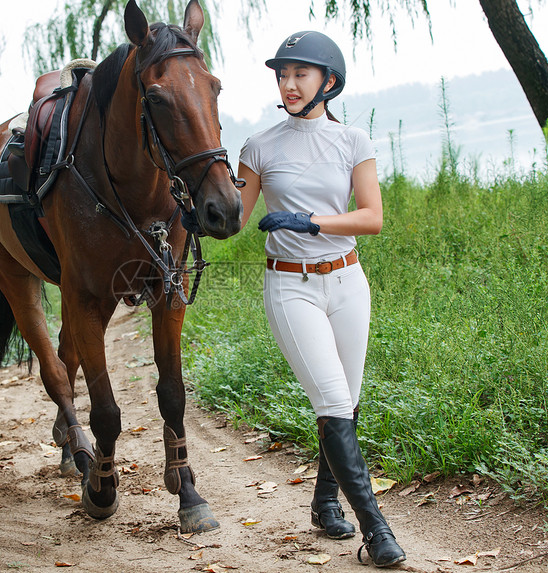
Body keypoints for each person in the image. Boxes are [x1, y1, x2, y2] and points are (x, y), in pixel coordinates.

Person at [236, 31, 406, 568]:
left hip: (348, 280)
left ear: (328, 82)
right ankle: (376, 531)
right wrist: (196, 191)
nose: (287, 84)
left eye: (299, 75)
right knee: (333, 401)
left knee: (347, 403)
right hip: (291, 286)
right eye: (282, 75)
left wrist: (308, 221)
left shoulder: (354, 140)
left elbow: (372, 217)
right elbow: (230, 221)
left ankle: (324, 500)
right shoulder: (258, 146)